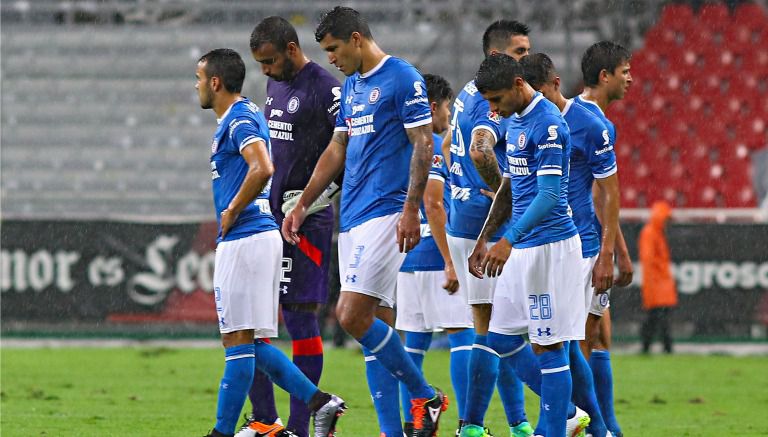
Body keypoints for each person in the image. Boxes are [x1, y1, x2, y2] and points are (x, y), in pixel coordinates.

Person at [281, 7, 446, 437]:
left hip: (387, 211)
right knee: (378, 332)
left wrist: (411, 209)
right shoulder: (353, 86)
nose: (330, 59)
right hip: (351, 215)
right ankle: (394, 431)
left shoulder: (402, 77)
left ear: (356, 39)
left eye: (334, 49)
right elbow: (336, 150)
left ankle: (426, 396)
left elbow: (423, 143)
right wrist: (303, 204)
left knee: (350, 315)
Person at [195, 48, 345, 437]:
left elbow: (263, 166)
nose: (195, 86)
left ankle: (222, 431)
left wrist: (232, 210)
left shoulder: (240, 118)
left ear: (215, 82)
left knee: (237, 342)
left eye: (198, 79)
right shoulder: (242, 115)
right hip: (259, 238)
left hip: (245, 237)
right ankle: (320, 403)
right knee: (252, 343)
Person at [469, 53, 585, 437]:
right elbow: (511, 187)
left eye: (497, 99)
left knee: (548, 349)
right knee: (501, 337)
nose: (492, 109)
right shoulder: (515, 120)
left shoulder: (548, 124)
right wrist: (484, 239)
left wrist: (508, 239)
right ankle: (565, 414)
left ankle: (549, 428)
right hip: (520, 248)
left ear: (519, 85)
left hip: (549, 249)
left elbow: (550, 195)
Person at [238, 16, 341, 437]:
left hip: (308, 223)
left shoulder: (326, 88)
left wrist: (312, 202)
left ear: (292, 50)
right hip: (270, 220)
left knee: (299, 318)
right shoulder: (275, 85)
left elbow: (348, 153)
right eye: (259, 63)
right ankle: (265, 420)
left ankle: (301, 425)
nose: (264, 70)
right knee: (254, 320)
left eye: (269, 61)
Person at [522, 52, 620, 437]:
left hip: (582, 248)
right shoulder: (527, 122)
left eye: (542, 94)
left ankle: (584, 424)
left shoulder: (589, 124)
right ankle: (593, 426)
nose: (538, 103)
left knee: (568, 341)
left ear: (555, 84)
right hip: (546, 244)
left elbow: (610, 194)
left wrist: (609, 253)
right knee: (555, 342)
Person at [444, 20, 533, 437]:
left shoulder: (465, 91)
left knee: (493, 324)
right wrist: (504, 194)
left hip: (465, 219)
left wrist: (459, 187)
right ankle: (546, 414)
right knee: (502, 329)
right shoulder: (490, 100)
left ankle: (491, 424)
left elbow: (449, 146)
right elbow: (481, 149)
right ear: (496, 55)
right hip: (487, 225)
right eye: (518, 52)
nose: (525, 58)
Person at [394, 73, 473, 436]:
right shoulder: (434, 143)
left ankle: (415, 420)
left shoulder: (400, 146)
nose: (449, 116)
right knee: (462, 336)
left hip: (405, 257)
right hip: (433, 254)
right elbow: (434, 203)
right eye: (447, 108)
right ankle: (467, 423)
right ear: (432, 107)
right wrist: (449, 260)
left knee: (413, 344)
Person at [575, 40, 634, 437]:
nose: (631, 78)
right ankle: (589, 423)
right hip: (578, 242)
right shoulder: (591, 121)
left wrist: (616, 250)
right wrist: (613, 253)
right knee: (581, 336)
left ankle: (605, 424)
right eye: (625, 71)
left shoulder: (578, 113)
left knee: (598, 333)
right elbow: (600, 195)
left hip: (588, 240)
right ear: (605, 76)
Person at [639, 201, 677, 354]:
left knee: (657, 319)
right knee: (657, 319)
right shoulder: (650, 233)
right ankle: (662, 347)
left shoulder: (655, 233)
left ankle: (650, 346)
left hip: (660, 284)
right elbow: (648, 260)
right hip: (657, 284)